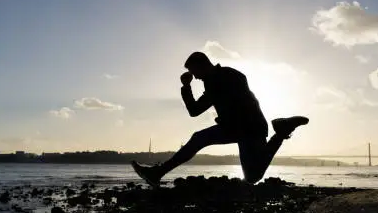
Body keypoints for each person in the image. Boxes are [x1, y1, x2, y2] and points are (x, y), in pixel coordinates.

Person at [131, 51, 309, 187]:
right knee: (250, 175)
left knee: (251, 176)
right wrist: (186, 87)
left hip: (249, 129)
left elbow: (238, 103)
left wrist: (225, 118)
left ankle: (281, 131)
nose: (196, 77)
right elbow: (195, 111)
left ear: (202, 66)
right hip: (241, 128)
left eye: (195, 72)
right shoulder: (217, 81)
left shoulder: (223, 78)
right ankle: (282, 129)